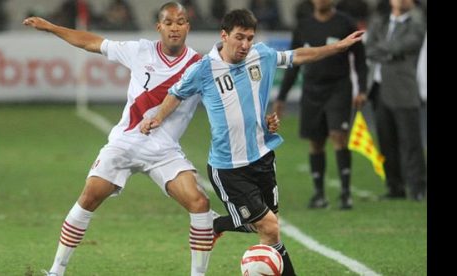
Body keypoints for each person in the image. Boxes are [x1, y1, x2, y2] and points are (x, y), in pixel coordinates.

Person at [140, 8, 364, 275]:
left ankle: (217, 225)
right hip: (228, 167)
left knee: (268, 229)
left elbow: (298, 56)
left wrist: (338, 47)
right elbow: (175, 94)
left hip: (262, 157)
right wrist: (157, 118)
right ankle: (223, 230)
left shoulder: (262, 55)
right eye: (239, 37)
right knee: (269, 226)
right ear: (224, 36)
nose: (245, 45)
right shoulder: (203, 69)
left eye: (249, 38)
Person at [23, 3, 216, 276]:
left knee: (199, 203)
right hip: (125, 144)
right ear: (158, 26)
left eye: (181, 22)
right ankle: (56, 271)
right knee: (89, 197)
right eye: (169, 22)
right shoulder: (140, 50)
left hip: (164, 151)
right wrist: (51, 27)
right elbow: (92, 42)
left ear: (188, 26)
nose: (175, 27)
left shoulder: (200, 65)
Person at [272, 0, 368, 210]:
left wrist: (361, 89)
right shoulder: (303, 26)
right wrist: (281, 97)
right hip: (312, 90)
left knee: (338, 137)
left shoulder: (346, 23)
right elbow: (293, 63)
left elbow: (360, 59)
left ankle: (345, 193)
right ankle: (319, 194)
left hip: (339, 88)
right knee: (315, 142)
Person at [365, 0, 426, 201]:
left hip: (404, 90)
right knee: (386, 142)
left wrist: (383, 50)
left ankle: (418, 188)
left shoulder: (416, 22)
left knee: (411, 143)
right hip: (379, 90)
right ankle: (395, 187)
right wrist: (389, 52)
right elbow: (369, 48)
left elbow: (405, 45)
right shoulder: (380, 21)